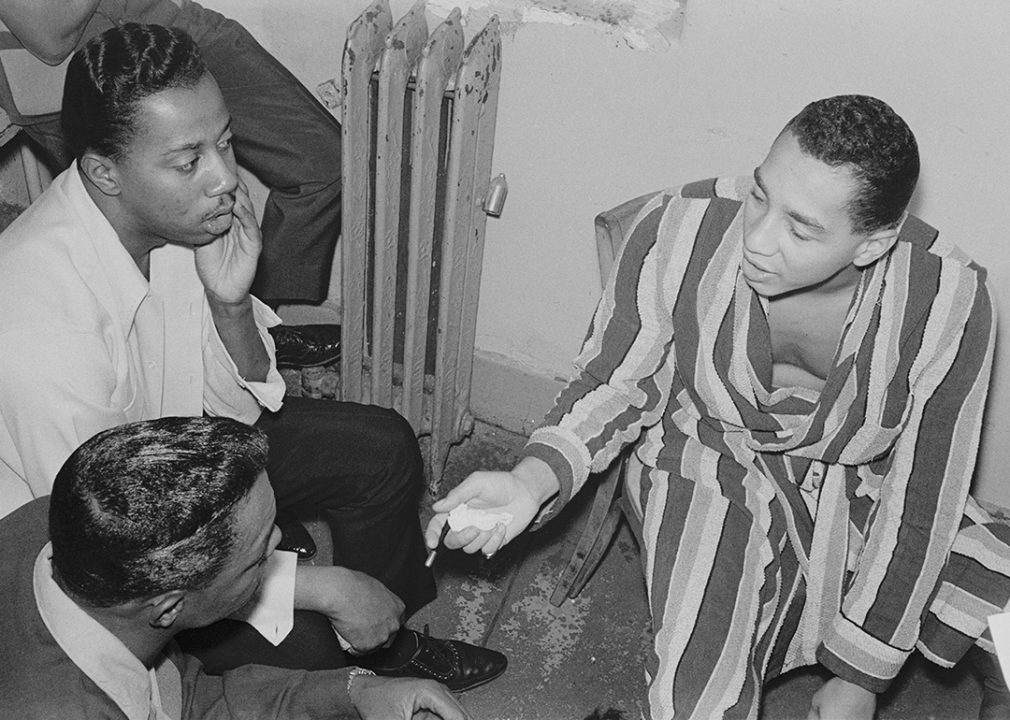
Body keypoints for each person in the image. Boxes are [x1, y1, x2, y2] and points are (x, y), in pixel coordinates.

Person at [427, 95, 1010, 719]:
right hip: (708, 458)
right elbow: (616, 381)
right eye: (760, 195)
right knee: (698, 698)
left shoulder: (948, 300)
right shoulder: (680, 230)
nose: (757, 239)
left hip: (860, 486)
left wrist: (862, 677)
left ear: (872, 244)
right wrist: (527, 479)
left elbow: (924, 489)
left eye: (801, 228)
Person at [0, 22, 506, 691]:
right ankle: (357, 647)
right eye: (190, 161)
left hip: (187, 464)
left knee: (382, 447)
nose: (225, 181)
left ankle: (387, 638)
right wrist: (323, 587)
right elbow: (126, 561)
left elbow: (241, 409)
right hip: (117, 562)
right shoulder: (45, 335)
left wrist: (231, 305)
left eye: (227, 142)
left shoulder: (172, 221)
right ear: (103, 172)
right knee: (320, 657)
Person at [0, 415, 471, 720]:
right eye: (259, 556)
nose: (284, 543)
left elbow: (183, 699)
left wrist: (353, 692)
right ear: (168, 608)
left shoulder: (54, 520)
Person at [0, 0, 340, 305]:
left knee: (326, 161)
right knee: (127, 254)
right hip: (86, 78)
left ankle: (255, 319)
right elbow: (48, 38)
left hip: (170, 29)